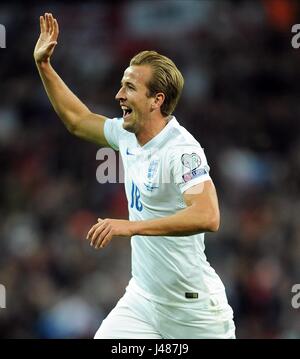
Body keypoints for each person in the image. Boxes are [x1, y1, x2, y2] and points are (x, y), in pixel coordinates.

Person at [34, 13, 236, 339]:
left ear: (156, 100)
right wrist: (44, 66)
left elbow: (209, 215)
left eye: (129, 87)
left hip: (193, 311)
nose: (119, 95)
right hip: (143, 300)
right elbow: (78, 119)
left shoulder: (181, 149)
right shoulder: (128, 134)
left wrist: (130, 227)